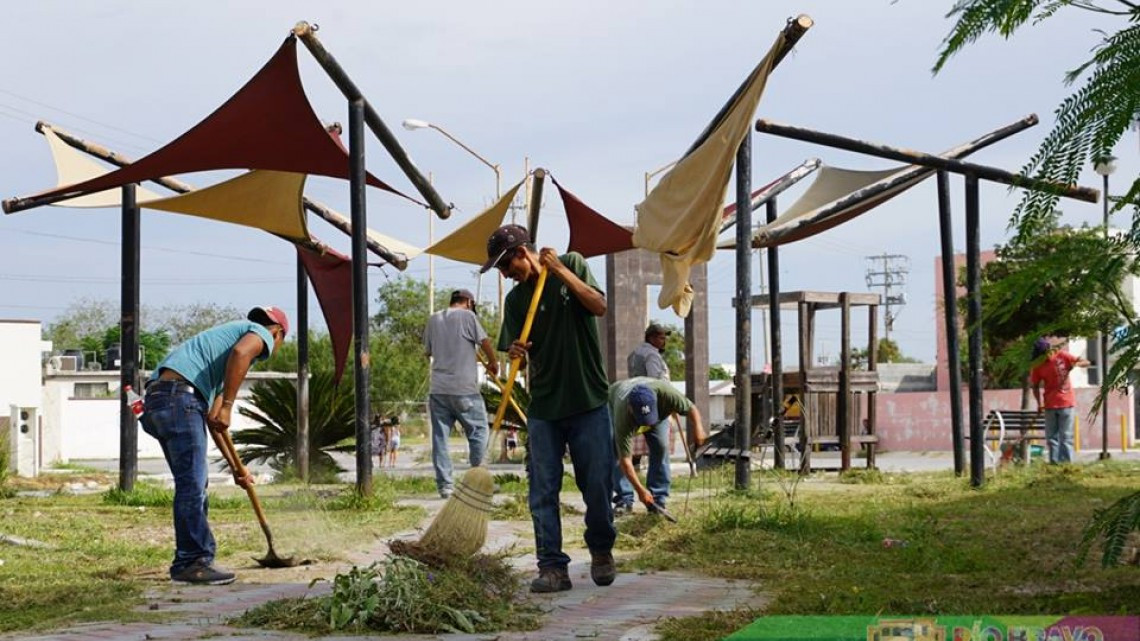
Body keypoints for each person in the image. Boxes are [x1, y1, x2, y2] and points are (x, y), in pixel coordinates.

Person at [482, 223, 616, 593]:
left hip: (588, 400)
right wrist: (516, 355)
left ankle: (602, 550)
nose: (506, 275)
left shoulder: (571, 264)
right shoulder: (515, 302)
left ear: (522, 254)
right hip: (544, 407)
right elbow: (518, 361)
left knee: (598, 487)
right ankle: (552, 567)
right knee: (542, 490)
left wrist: (559, 271)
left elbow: (599, 305)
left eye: (507, 266)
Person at [140, 305, 287, 585]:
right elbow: (241, 354)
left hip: (160, 400)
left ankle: (192, 559)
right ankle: (192, 563)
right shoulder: (258, 333)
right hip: (180, 399)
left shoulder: (214, 365)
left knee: (193, 483)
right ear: (278, 333)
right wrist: (230, 405)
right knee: (193, 486)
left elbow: (214, 421)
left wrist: (237, 469)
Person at [424, 288, 499, 498]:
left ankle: (445, 486)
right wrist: (493, 362)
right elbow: (485, 342)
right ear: (468, 302)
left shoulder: (434, 319)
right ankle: (478, 482)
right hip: (465, 390)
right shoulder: (468, 316)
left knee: (440, 439)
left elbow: (428, 351)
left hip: (439, 390)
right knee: (478, 433)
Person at [610, 377, 707, 512]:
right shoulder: (622, 415)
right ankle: (624, 498)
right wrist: (640, 491)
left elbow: (691, 408)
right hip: (614, 401)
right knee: (615, 450)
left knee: (661, 446)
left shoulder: (667, 394)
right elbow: (625, 461)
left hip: (658, 415)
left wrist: (699, 428)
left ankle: (657, 498)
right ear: (630, 408)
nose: (646, 425)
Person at [620, 322, 673, 509]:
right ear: (651, 338)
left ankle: (624, 497)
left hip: (633, 403)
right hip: (654, 405)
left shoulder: (633, 354)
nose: (664, 340)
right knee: (660, 448)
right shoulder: (651, 354)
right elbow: (655, 382)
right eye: (660, 337)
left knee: (622, 449)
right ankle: (658, 497)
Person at [1029, 336, 1090, 464]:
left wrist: (1075, 364)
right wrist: (1039, 404)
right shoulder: (1038, 365)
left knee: (1066, 437)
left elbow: (1086, 362)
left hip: (1067, 403)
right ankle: (1054, 464)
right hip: (1050, 405)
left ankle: (1067, 464)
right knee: (1052, 438)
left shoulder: (1063, 356)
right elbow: (1034, 386)